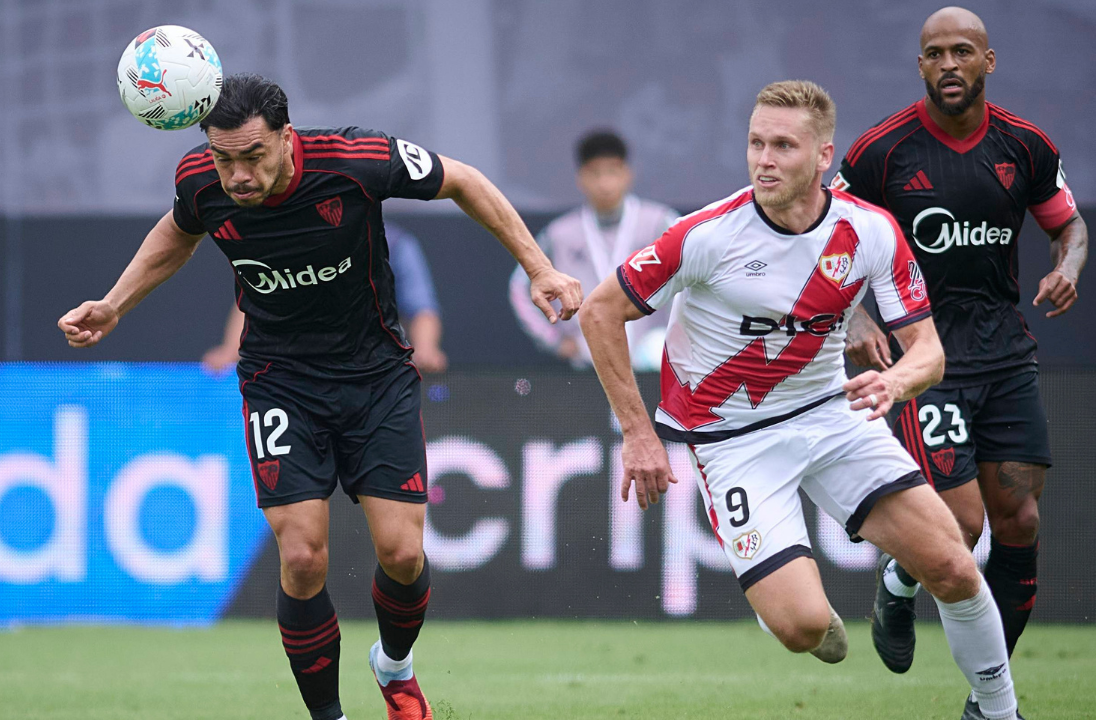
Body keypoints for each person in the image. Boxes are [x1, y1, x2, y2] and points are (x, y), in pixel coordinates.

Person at [58, 74, 581, 720]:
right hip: (279, 381)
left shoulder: (355, 161)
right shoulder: (200, 180)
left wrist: (540, 267)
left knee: (403, 552)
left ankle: (394, 667)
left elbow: (465, 181)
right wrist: (113, 305)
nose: (237, 175)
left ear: (285, 135)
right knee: (302, 553)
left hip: (375, 375)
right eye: (225, 159)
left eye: (252, 155)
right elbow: (177, 233)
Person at [581, 80, 1024, 720]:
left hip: (830, 414)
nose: (764, 159)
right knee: (804, 630)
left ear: (822, 157)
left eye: (783, 146)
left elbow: (928, 352)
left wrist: (897, 381)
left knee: (956, 565)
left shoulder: (869, 231)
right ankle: (791, 615)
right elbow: (599, 313)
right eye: (756, 142)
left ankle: (996, 711)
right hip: (733, 442)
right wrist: (638, 432)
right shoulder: (705, 234)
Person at [834, 8, 1086, 708]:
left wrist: (1071, 265)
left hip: (1006, 354)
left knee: (1021, 523)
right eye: (935, 54)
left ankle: (988, 695)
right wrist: (855, 312)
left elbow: (1070, 228)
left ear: (988, 61)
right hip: (925, 357)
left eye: (962, 52)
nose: (949, 64)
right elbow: (826, 240)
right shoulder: (882, 151)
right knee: (962, 525)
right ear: (920, 66)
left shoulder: (1025, 145)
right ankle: (896, 583)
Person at [510, 130, 679, 370]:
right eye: (595, 173)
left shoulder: (661, 223)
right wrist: (554, 341)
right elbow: (519, 287)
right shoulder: (559, 234)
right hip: (588, 371)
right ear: (580, 178)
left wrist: (679, 336)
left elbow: (695, 279)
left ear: (627, 173)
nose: (604, 183)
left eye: (612, 171)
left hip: (653, 366)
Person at [203, 221, 448, 375]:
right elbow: (256, 298)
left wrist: (426, 349)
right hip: (296, 367)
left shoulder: (395, 244)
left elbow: (421, 307)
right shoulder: (298, 233)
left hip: (372, 367)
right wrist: (230, 349)